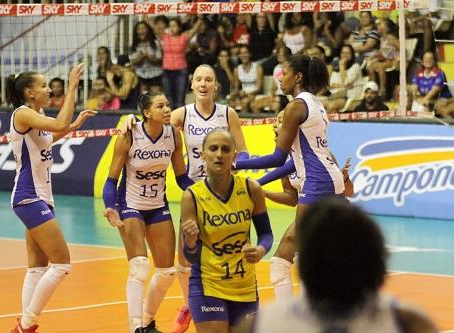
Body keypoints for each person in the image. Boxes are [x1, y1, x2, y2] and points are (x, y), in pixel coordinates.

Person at [122, 64, 249, 333]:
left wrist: (240, 166)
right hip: (194, 195)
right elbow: (150, 122)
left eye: (209, 80)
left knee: (224, 256)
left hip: (224, 195)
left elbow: (244, 152)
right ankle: (176, 309)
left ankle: (222, 309)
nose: (203, 84)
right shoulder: (181, 114)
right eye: (199, 79)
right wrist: (127, 120)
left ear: (216, 85)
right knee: (184, 262)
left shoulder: (228, 113)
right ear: (191, 84)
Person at [235, 54, 345, 298]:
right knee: (287, 255)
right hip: (328, 178)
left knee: (301, 253)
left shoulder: (296, 106)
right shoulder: (316, 103)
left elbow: (277, 157)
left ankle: (311, 315)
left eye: (284, 73)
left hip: (317, 183)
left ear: (298, 77)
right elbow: (290, 163)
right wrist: (257, 182)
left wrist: (240, 164)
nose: (279, 78)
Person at [252, 198, 438, 333]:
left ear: (304, 270)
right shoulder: (407, 321)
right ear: (376, 266)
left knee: (279, 261)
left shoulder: (263, 323)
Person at [7, 64, 97, 333]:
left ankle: (24, 323)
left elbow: (51, 136)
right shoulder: (22, 114)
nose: (49, 89)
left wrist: (74, 125)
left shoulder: (37, 113)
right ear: (29, 92)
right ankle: (26, 323)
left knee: (37, 268)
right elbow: (59, 123)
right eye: (44, 86)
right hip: (28, 196)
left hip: (42, 197)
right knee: (62, 264)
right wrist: (71, 87)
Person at [103, 92, 194, 333]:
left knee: (167, 272)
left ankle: (147, 321)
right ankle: (135, 327)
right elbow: (111, 181)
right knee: (140, 267)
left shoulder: (173, 134)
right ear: (146, 112)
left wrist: (205, 192)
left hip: (157, 205)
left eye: (168, 104)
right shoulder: (129, 135)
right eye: (160, 106)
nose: (167, 109)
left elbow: (182, 177)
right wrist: (110, 207)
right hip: (130, 204)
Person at [180, 128, 273, 333]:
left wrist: (260, 250)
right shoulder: (192, 196)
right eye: (213, 149)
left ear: (234, 155)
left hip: (245, 286)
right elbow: (188, 256)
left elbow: (266, 234)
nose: (219, 154)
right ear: (202, 155)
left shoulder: (251, 189)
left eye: (225, 149)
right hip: (208, 285)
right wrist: (190, 241)